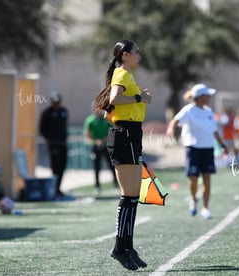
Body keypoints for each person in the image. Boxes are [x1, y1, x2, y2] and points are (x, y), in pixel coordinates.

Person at [94, 39, 152, 271]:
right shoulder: (122, 74)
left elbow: (108, 113)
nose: (140, 56)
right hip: (125, 135)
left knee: (133, 196)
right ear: (126, 55)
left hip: (129, 134)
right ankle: (120, 248)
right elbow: (114, 100)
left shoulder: (125, 75)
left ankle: (127, 247)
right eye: (137, 52)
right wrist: (140, 99)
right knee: (128, 196)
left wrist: (126, 115)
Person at [166, 84, 228, 219]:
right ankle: (193, 199)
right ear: (200, 97)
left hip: (207, 149)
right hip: (193, 149)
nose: (209, 97)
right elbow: (175, 121)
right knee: (193, 179)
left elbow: (214, 130)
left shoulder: (208, 112)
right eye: (207, 95)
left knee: (207, 179)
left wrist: (222, 144)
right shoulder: (189, 110)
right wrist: (171, 129)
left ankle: (205, 208)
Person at [39, 93, 69, 198]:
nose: (57, 104)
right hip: (53, 144)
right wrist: (49, 139)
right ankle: (54, 189)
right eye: (55, 102)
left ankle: (58, 188)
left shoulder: (64, 111)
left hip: (63, 143)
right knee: (55, 167)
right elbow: (42, 129)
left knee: (62, 166)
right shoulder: (47, 113)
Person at [83, 106, 118, 194]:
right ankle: (97, 186)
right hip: (95, 147)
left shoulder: (106, 119)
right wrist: (95, 141)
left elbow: (112, 130)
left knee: (111, 166)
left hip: (106, 146)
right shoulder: (90, 121)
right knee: (97, 167)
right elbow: (87, 135)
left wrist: (106, 138)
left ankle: (116, 185)